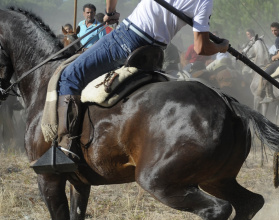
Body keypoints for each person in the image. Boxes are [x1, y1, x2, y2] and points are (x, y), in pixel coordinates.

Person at [56, 0, 229, 162]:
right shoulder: (205, 2)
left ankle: (66, 148)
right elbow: (202, 47)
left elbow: (198, 48)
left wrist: (110, 12)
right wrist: (221, 47)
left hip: (126, 39)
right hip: (153, 52)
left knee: (69, 75)